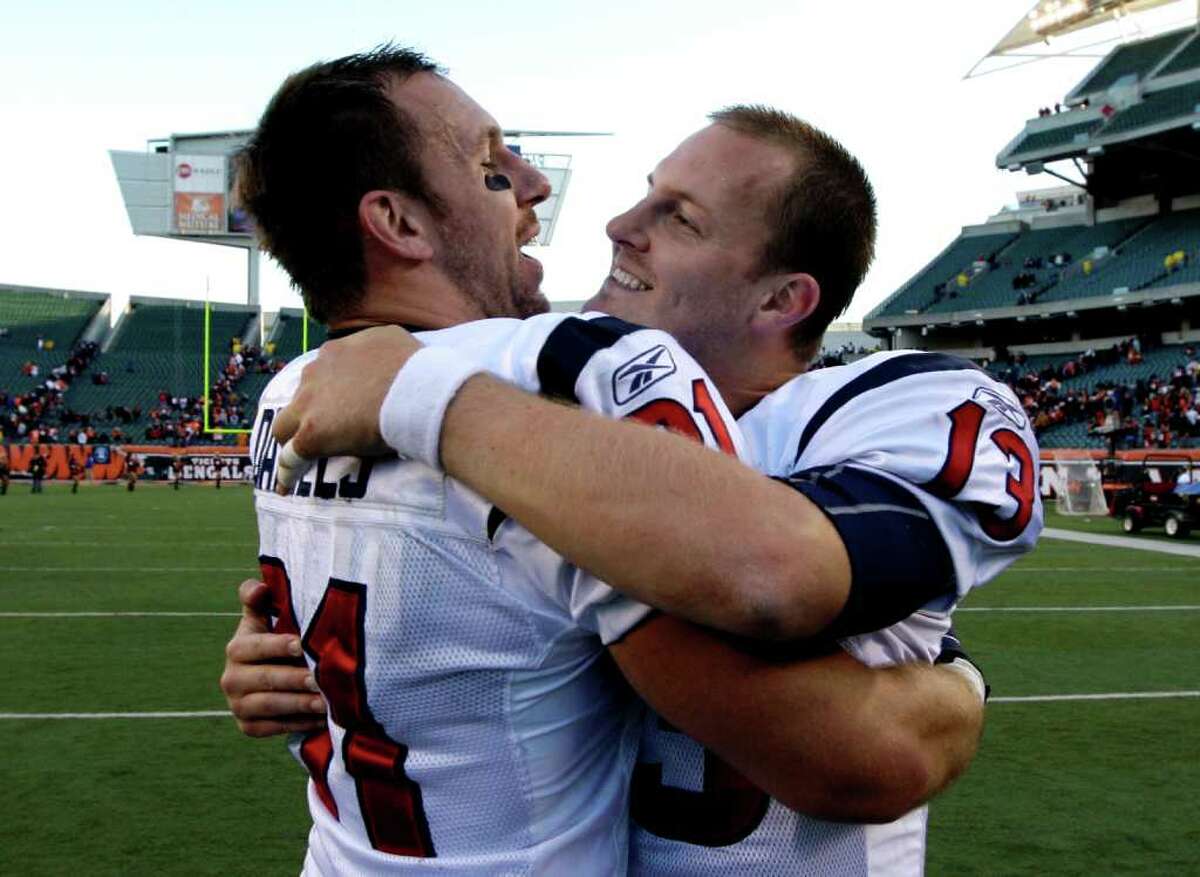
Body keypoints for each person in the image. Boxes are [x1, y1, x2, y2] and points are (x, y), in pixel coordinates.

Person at [223, 47, 1017, 873]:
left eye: (679, 217)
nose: (612, 224)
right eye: (491, 167)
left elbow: (789, 600)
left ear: (783, 298)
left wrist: (956, 680)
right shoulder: (574, 380)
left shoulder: (913, 406)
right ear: (399, 223)